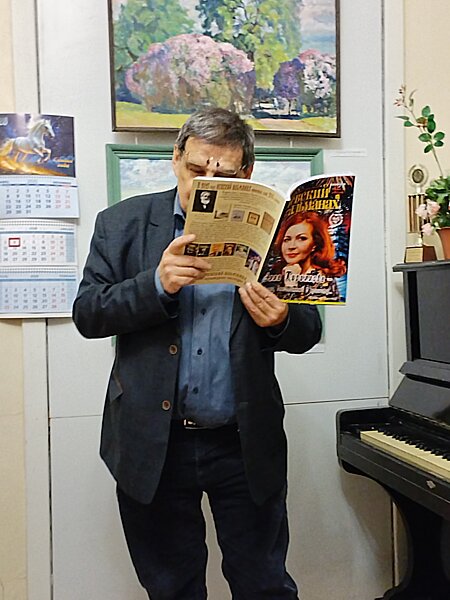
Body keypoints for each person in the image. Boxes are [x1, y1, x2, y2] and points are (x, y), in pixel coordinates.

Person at [72, 107, 322, 600]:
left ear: (246, 174)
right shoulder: (122, 224)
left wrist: (282, 320)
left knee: (264, 584)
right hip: (153, 442)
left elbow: (308, 330)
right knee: (172, 587)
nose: (206, 184)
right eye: (196, 169)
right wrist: (154, 286)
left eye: (223, 175)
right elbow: (88, 314)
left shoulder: (280, 232)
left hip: (243, 443)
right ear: (175, 160)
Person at [272, 211, 346, 301]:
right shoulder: (273, 272)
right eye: (287, 240)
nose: (291, 246)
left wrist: (291, 285)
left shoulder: (324, 280)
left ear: (315, 244)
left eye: (301, 238)